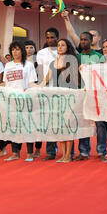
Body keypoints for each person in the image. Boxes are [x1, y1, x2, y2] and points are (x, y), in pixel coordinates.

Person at [41, 39, 80, 162]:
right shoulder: (53, 63)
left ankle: (69, 155)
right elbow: (46, 80)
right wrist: (33, 88)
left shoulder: (73, 61)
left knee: (68, 125)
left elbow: (77, 79)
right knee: (60, 125)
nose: (60, 47)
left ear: (67, 47)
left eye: (62, 45)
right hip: (57, 97)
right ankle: (63, 154)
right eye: (58, 45)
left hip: (70, 96)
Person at [1, 41, 38, 162]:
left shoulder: (29, 65)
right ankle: (15, 152)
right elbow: (5, 83)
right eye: (13, 50)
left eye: (17, 49)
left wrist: (30, 90)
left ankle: (29, 153)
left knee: (28, 126)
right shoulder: (8, 65)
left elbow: (32, 83)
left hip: (26, 99)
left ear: (22, 51)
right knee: (14, 126)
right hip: (11, 100)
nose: (15, 52)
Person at [75, 32, 106, 161]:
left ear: (91, 40)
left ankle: (101, 151)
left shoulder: (99, 56)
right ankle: (83, 151)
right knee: (82, 122)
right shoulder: (76, 57)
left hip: (97, 93)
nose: (83, 42)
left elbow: (104, 75)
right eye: (81, 40)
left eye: (85, 39)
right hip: (81, 93)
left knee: (100, 123)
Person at [36, 28, 60, 160]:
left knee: (62, 120)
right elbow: (40, 72)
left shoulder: (62, 51)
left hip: (61, 89)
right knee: (49, 121)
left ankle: (70, 152)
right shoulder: (41, 53)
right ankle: (51, 151)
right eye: (48, 37)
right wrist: (40, 86)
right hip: (45, 90)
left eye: (52, 37)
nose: (50, 40)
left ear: (57, 37)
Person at [24, 39, 42, 157]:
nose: (29, 50)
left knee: (38, 122)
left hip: (36, 94)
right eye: (26, 47)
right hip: (23, 94)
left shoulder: (39, 61)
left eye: (31, 47)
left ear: (35, 49)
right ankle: (28, 149)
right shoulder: (20, 62)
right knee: (27, 123)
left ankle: (38, 149)